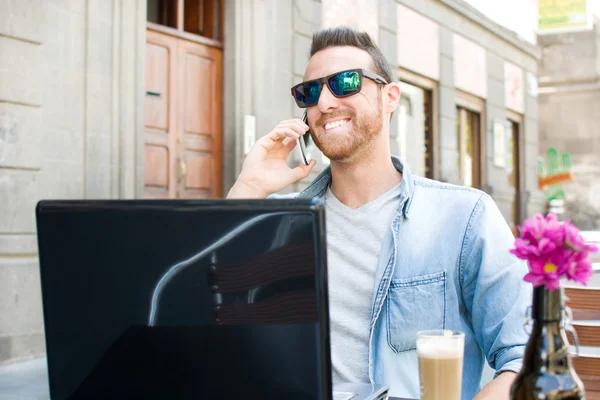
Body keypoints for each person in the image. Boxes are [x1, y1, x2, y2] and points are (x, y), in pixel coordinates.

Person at [227, 26, 531, 400]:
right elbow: (205, 321)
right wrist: (249, 188)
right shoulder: (276, 223)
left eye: (345, 82)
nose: (324, 103)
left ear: (390, 97)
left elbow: (525, 357)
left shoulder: (464, 217)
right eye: (310, 92)